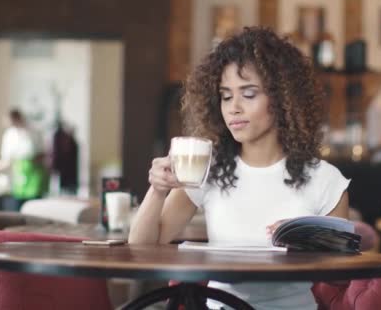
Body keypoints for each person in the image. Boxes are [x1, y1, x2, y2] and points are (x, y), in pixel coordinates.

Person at [129, 27, 350, 310]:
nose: (233, 108)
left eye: (248, 94)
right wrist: (158, 190)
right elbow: (140, 249)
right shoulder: (208, 171)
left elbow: (343, 278)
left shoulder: (325, 181)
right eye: (225, 96)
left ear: (283, 99)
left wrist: (306, 241)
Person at [0, 109, 47, 211]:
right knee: (19, 205)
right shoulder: (10, 135)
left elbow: (42, 152)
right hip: (20, 173)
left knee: (35, 205)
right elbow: (7, 158)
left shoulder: (34, 131)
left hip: (34, 173)